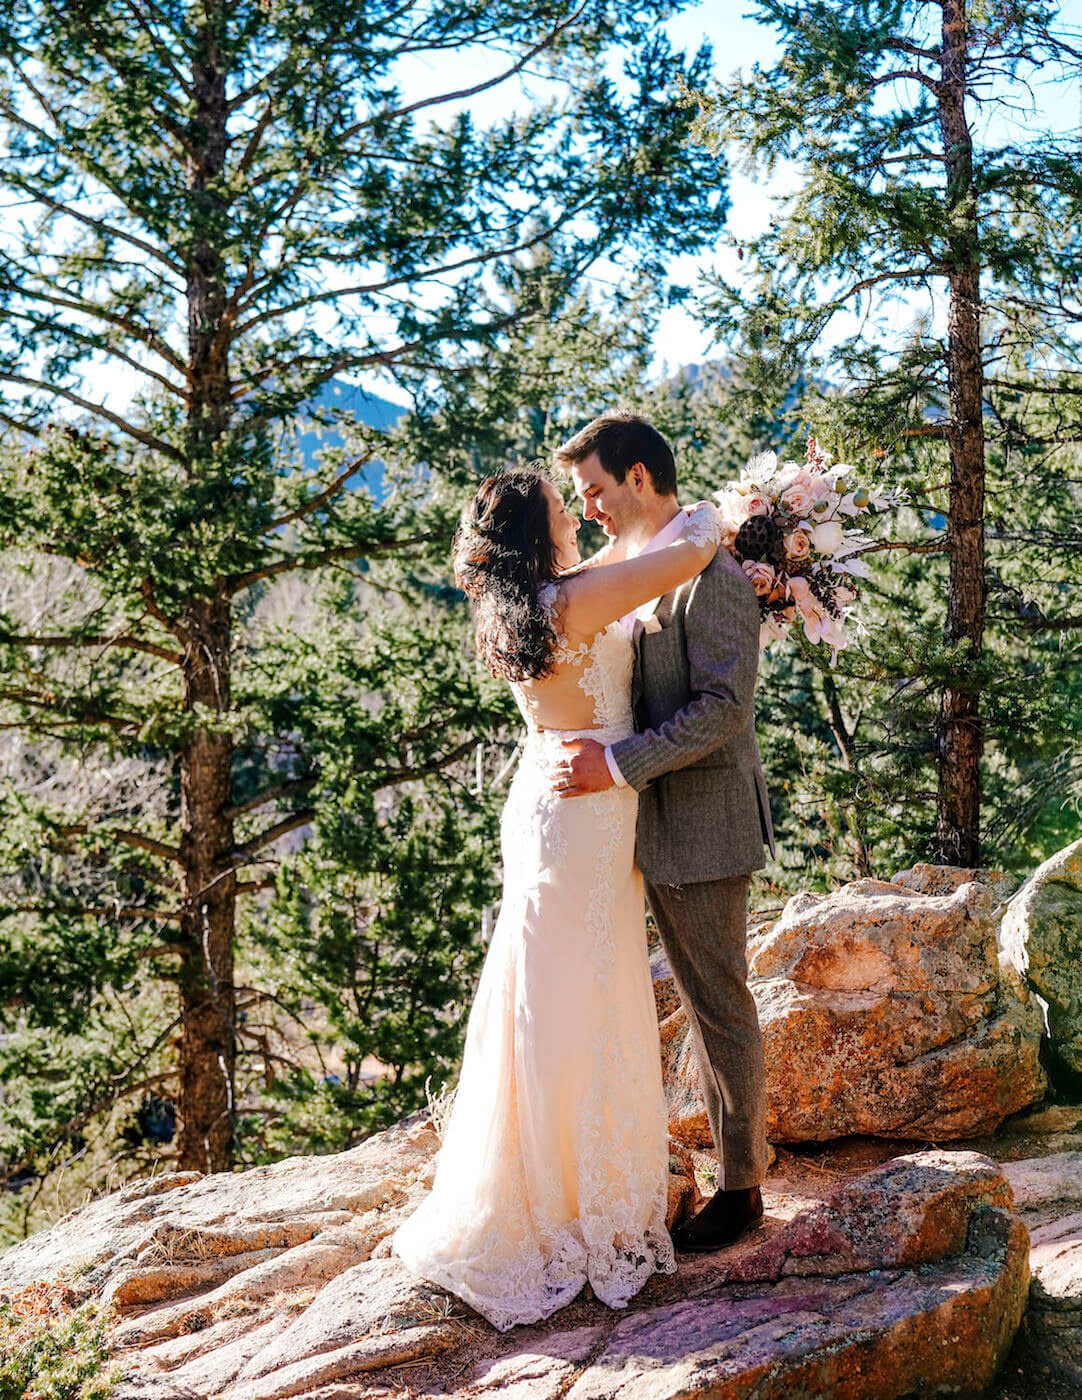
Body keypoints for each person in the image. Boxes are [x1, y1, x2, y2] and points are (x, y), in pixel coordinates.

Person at [391, 465, 721, 1330]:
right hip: (584, 816)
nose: (575, 509)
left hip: (554, 802)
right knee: (575, 993)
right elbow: (686, 551)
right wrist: (736, 506)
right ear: (540, 531)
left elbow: (622, 558)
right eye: (558, 502)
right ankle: (568, 1203)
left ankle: (564, 1182)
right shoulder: (568, 604)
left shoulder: (534, 599)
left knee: (550, 988)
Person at [552, 410, 775, 1253]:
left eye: (598, 491)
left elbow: (724, 710)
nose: (593, 509)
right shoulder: (646, 568)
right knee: (689, 1002)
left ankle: (742, 1189)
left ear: (639, 477)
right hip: (644, 828)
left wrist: (614, 766)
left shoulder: (709, 574)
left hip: (705, 822)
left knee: (719, 1006)